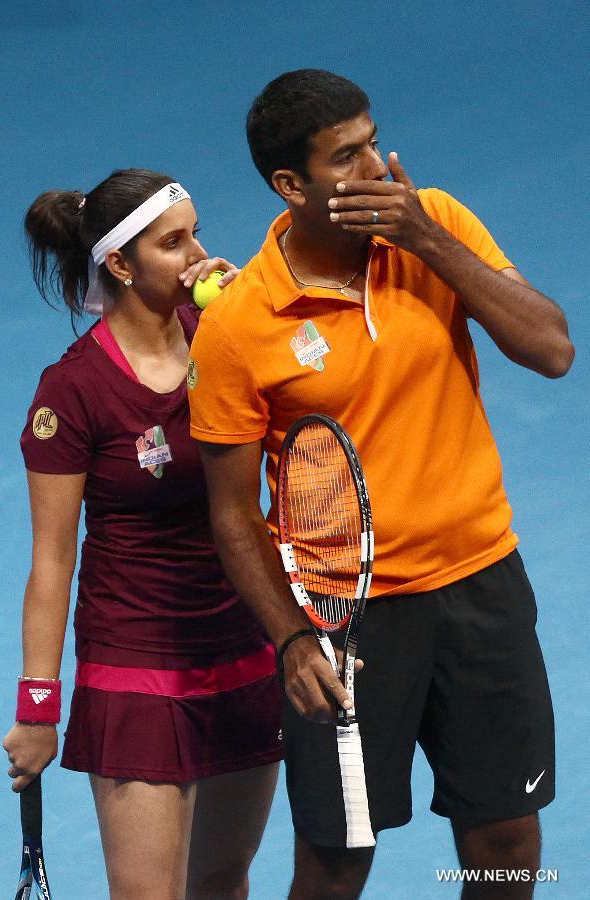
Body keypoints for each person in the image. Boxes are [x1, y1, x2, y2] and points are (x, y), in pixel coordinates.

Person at [186, 70, 575, 899]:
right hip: (345, 620)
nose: (374, 170)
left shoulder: (435, 223)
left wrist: (429, 241)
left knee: (506, 841)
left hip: (482, 585)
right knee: (336, 863)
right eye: (344, 158)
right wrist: (293, 638)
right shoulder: (238, 326)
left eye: (372, 143)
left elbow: (550, 350)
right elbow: (230, 513)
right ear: (291, 185)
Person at [3, 169, 282, 900]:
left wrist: (258, 313)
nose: (199, 253)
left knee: (223, 882)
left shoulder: (222, 337)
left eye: (195, 231)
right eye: (173, 241)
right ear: (119, 265)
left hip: (244, 643)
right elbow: (52, 562)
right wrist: (38, 708)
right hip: (135, 663)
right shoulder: (71, 391)